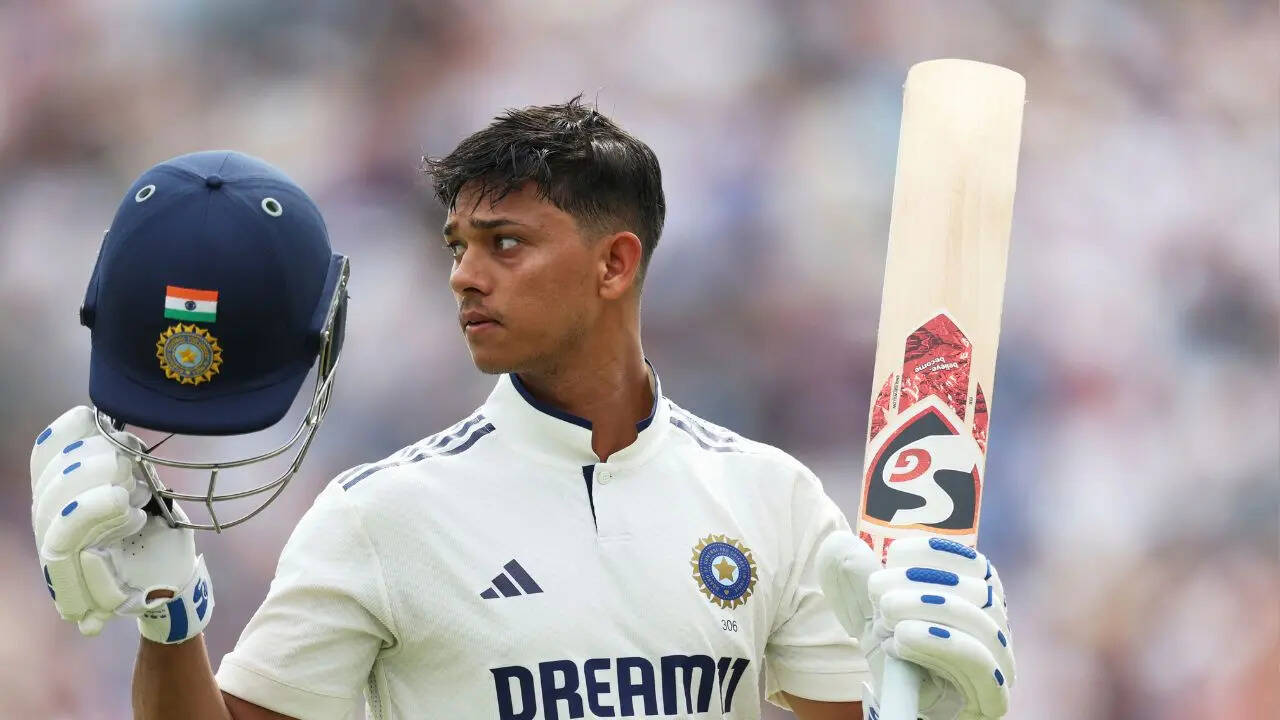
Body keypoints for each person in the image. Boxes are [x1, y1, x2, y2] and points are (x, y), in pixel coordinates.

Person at [30, 98, 1014, 719]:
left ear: (614, 264)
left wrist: (926, 709)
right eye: (456, 246)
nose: (464, 275)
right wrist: (169, 619)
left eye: (504, 244)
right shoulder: (379, 517)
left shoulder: (771, 498)